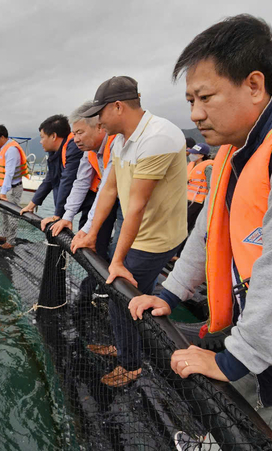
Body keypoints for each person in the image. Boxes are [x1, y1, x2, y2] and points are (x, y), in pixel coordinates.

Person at [128, 15, 272, 449]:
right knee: (238, 407)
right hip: (261, 330)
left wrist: (235, 358)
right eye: (190, 100)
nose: (195, 114)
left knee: (270, 430)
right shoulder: (235, 150)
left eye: (205, 97)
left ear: (254, 85)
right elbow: (207, 233)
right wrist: (169, 295)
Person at [71, 76, 188, 387]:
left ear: (119, 106)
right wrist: (91, 233)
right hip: (140, 234)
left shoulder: (158, 137)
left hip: (155, 238)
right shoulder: (123, 140)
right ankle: (124, 347)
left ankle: (131, 364)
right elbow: (108, 190)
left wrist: (118, 261)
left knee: (121, 295)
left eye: (101, 113)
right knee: (120, 296)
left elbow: (135, 207)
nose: (98, 120)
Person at [45, 102, 119, 261]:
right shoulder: (89, 150)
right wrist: (67, 216)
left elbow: (106, 188)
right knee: (98, 245)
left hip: (127, 202)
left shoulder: (116, 144)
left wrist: (86, 230)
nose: (76, 139)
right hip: (109, 200)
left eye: (80, 133)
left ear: (99, 127)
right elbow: (81, 182)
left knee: (119, 251)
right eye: (74, 134)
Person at [20, 115, 81, 221]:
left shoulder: (74, 147)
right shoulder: (55, 153)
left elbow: (67, 180)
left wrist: (57, 216)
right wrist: (31, 205)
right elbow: (50, 179)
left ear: (53, 136)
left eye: (42, 137)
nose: (40, 141)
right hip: (68, 209)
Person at [0, 124, 30, 250]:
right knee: (4, 213)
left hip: (13, 188)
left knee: (12, 215)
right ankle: (4, 235)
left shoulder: (11, 149)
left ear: (2, 137)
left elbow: (9, 173)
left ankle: (10, 241)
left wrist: (3, 192)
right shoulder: (0, 149)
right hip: (4, 188)